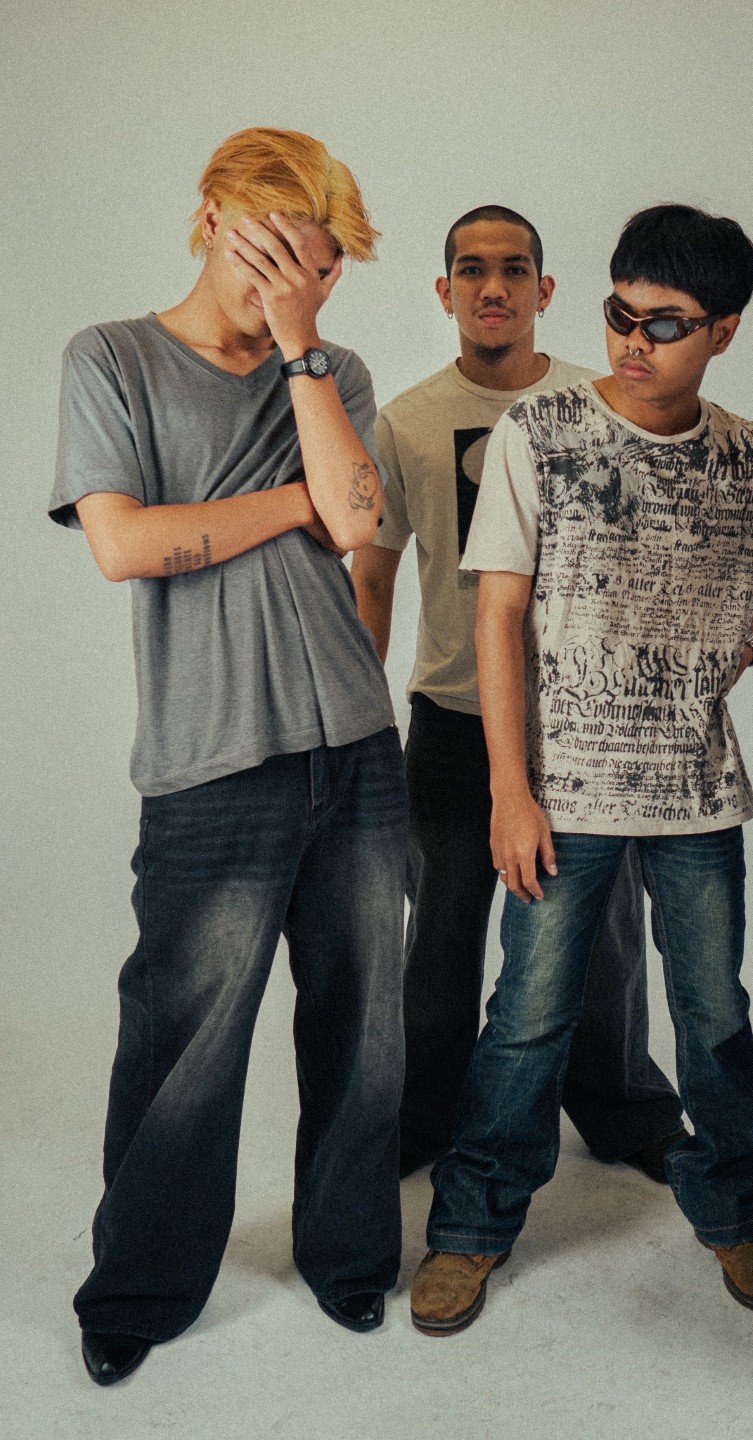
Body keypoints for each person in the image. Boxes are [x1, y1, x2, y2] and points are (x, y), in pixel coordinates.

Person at [409, 203, 753, 1337]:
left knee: (714, 1013)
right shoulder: (539, 432)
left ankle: (736, 1212)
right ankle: (470, 1228)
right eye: (619, 315)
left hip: (697, 795)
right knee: (527, 1016)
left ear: (723, 330)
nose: (635, 342)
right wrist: (510, 790)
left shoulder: (752, 455)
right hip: (567, 791)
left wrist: (748, 641)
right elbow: (497, 615)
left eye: (666, 324)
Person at [51, 127, 408, 1385]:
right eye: (275, 258)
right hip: (211, 757)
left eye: (321, 268)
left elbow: (358, 522)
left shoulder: (333, 370)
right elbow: (124, 545)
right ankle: (141, 1287)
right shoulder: (113, 359)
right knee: (184, 1041)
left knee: (364, 1027)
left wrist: (301, 347)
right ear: (213, 220)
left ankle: (350, 1256)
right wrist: (290, 503)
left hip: (356, 747)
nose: (296, 287)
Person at [351, 205, 685, 1180]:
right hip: (452, 724)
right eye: (470, 269)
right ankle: (424, 1116)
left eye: (512, 269)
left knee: (605, 940)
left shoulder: (606, 403)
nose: (491, 287)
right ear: (444, 290)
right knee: (440, 940)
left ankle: (622, 1109)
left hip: (584, 725)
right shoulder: (405, 422)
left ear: (544, 290)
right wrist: (360, 723)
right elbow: (373, 579)